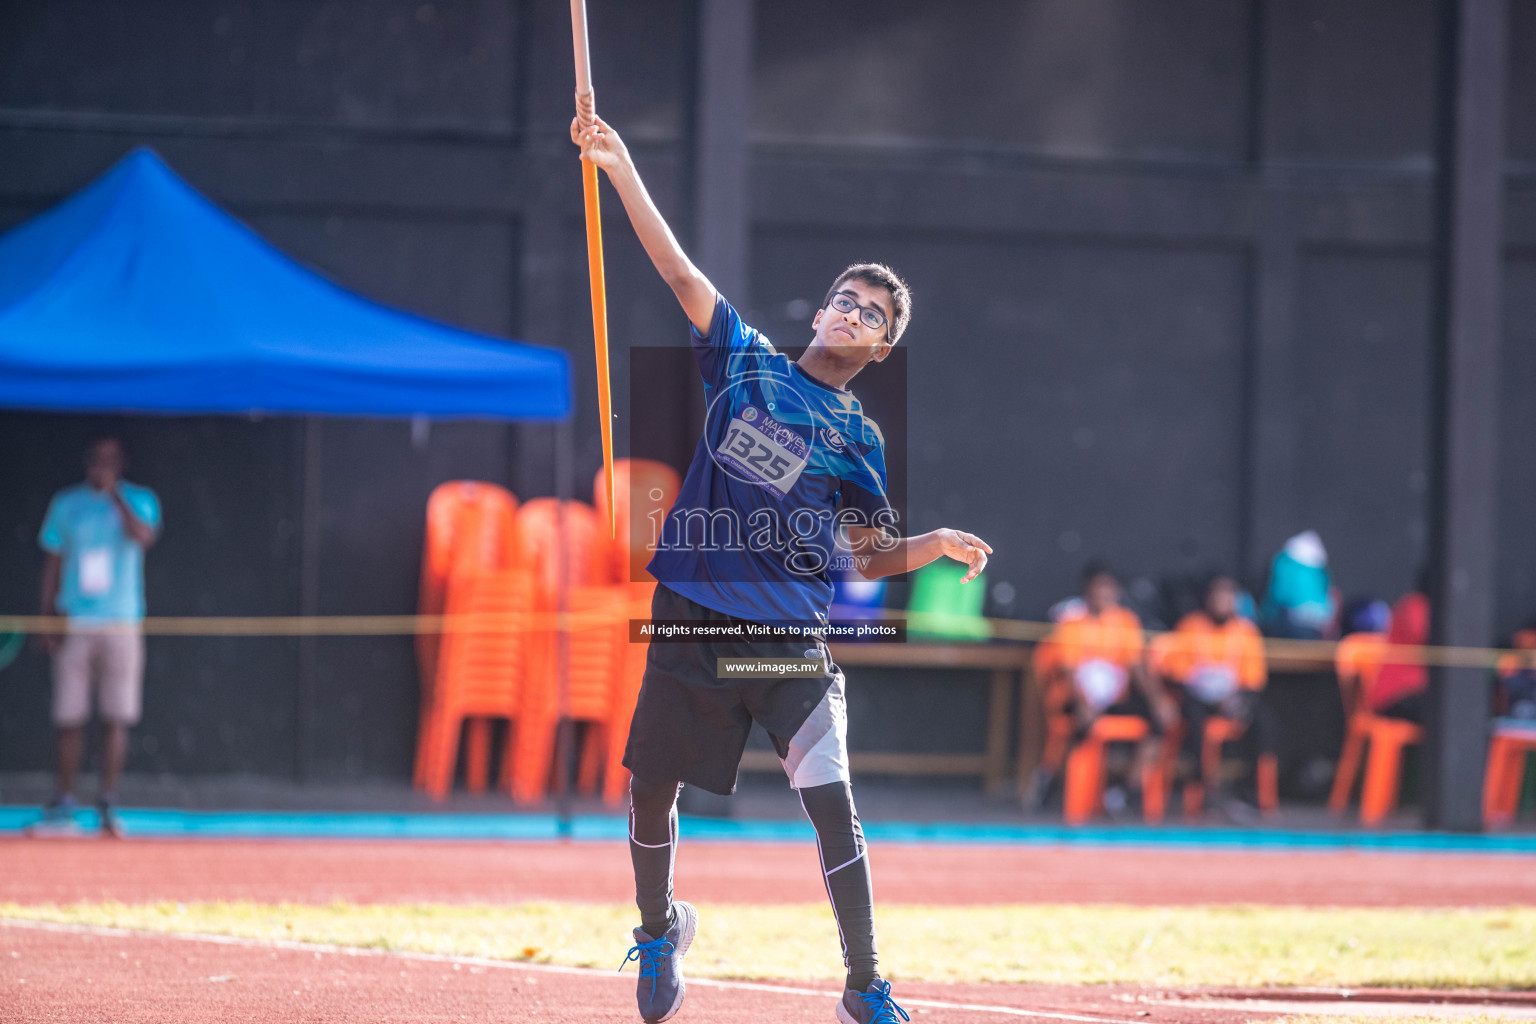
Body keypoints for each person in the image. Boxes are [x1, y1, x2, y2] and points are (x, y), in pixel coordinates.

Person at [573, 112, 991, 1024]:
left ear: (882, 348)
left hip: (782, 643)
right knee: (651, 783)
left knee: (831, 800)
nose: (853, 312)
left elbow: (871, 556)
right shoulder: (746, 363)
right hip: (693, 617)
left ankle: (865, 983)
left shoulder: (858, 437)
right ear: (821, 308)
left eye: (873, 314)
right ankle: (656, 929)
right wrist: (620, 166)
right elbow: (680, 271)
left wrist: (931, 544)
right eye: (847, 298)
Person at [36, 438, 161, 837]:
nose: (100, 466)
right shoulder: (67, 503)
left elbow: (144, 537)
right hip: (77, 621)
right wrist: (48, 616)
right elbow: (52, 560)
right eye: (95, 460)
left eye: (109, 461)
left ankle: (107, 801)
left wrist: (116, 496)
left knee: (117, 715)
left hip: (121, 622)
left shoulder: (140, 500)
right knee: (69, 714)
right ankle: (65, 800)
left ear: (121, 464)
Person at [1042, 565, 1175, 813]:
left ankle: (1126, 792)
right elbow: (1069, 671)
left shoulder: (1125, 622)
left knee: (1158, 721)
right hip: (1078, 698)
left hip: (1113, 698)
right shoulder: (1072, 623)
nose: (1105, 593)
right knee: (1080, 727)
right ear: (1087, 591)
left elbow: (1137, 668)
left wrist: (1158, 700)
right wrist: (1083, 704)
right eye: (1099, 587)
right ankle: (1055, 785)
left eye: (1110, 588)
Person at [1160, 574, 1277, 815]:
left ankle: (1252, 793)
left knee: (1263, 722)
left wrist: (1236, 700)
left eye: (1228, 596)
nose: (1222, 602)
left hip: (1232, 698)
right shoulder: (1191, 626)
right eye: (1217, 596)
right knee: (1194, 721)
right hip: (1198, 696)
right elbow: (1174, 666)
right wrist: (1199, 681)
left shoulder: (1245, 631)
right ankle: (1202, 788)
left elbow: (1254, 677)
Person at [1370, 590, 1430, 724]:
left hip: (1420, 690)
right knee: (1438, 711)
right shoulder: (1415, 606)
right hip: (1394, 694)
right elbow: (1423, 634)